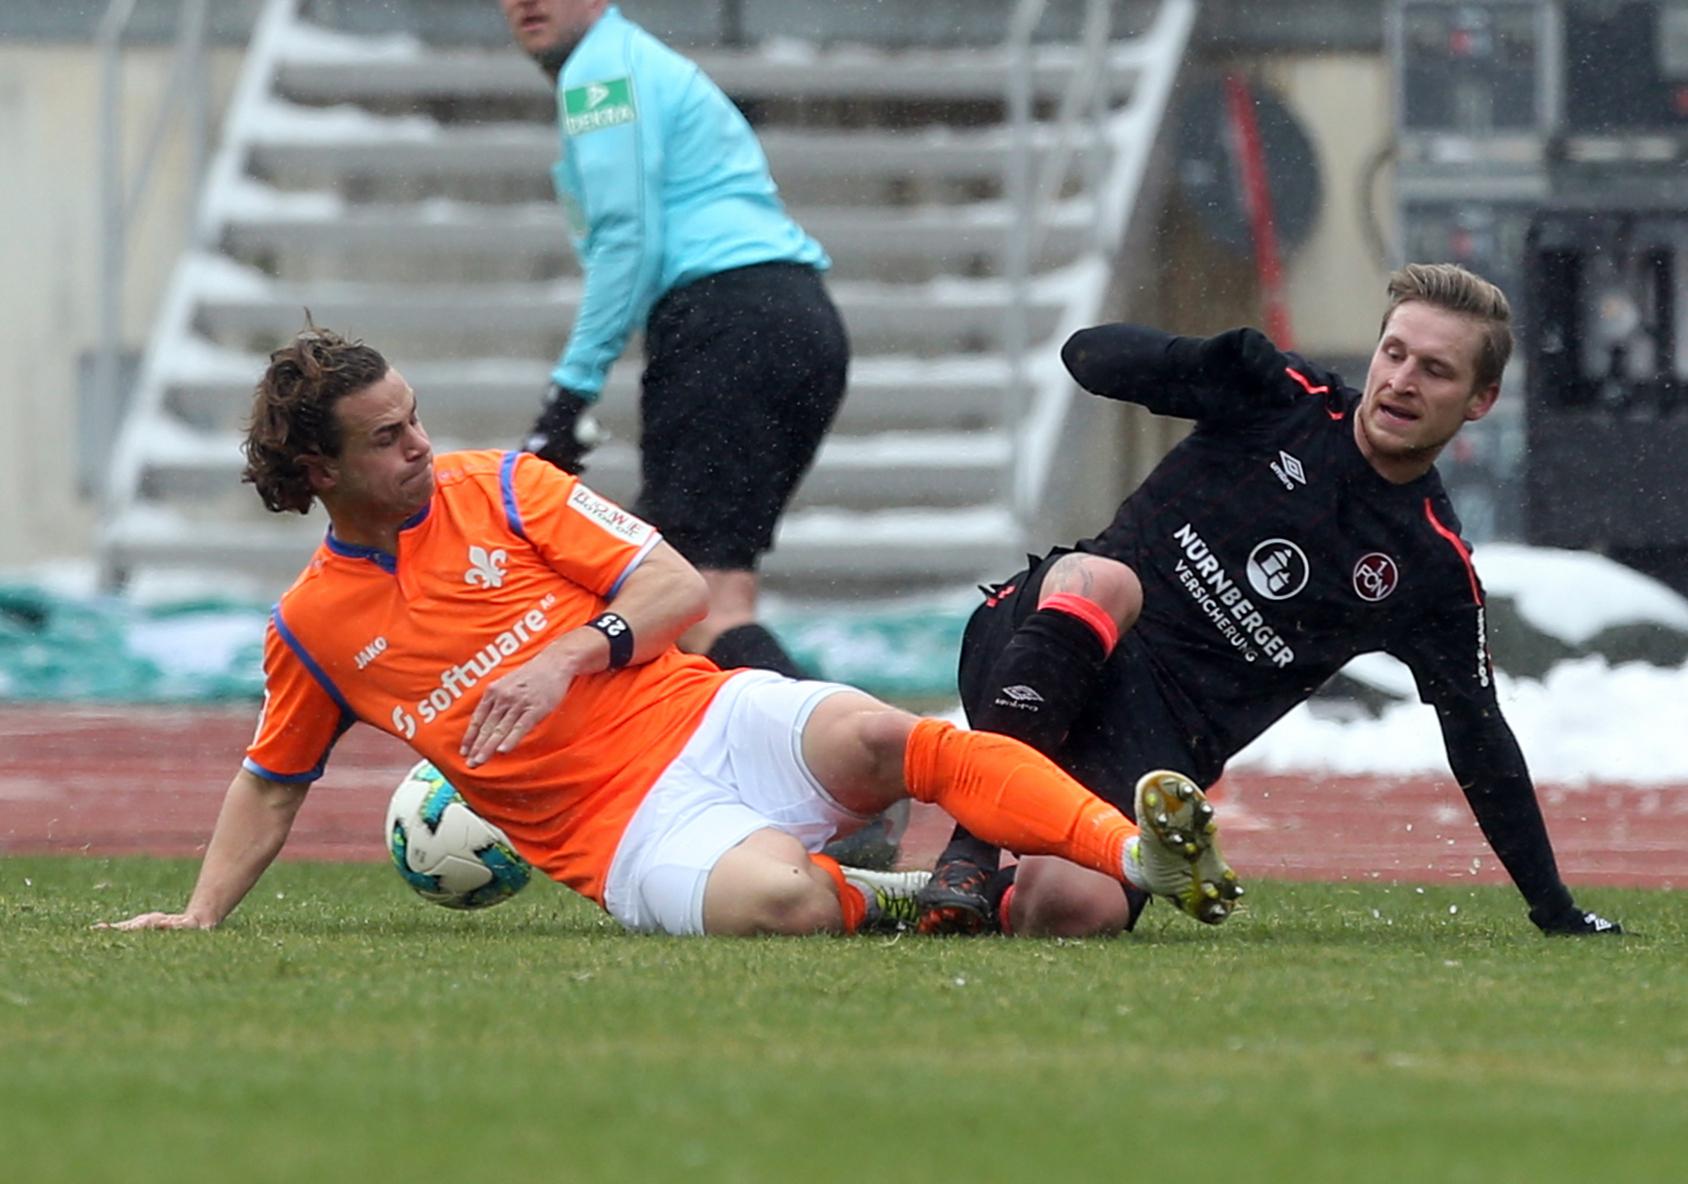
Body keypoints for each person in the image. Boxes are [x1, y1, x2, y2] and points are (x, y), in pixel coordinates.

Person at [100, 326, 1238, 937]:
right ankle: (917, 897)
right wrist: (200, 914)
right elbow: (270, 780)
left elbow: (677, 586)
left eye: (415, 418)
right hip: (627, 833)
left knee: (884, 737)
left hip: (705, 716)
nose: (418, 445)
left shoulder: (499, 486)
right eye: (388, 436)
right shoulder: (311, 625)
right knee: (780, 902)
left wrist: (575, 649)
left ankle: (1142, 855)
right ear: (321, 468)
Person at [915, 263, 1624, 940]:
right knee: (1106, 579)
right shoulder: (1278, 397)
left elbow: (1480, 737)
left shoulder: (1431, 567)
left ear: (1480, 400)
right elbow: (1086, 356)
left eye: (1434, 370)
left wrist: (1552, 907)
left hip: (1148, 748)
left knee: (1072, 909)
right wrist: (1200, 363)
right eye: (1395, 354)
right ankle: (969, 854)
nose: (1403, 382)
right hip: (1040, 651)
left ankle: (907, 898)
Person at [496, 0, 846, 682]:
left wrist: (569, 393)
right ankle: (836, 762)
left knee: (692, 601)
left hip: (731, 326)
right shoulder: (630, 63)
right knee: (697, 587)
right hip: (788, 317)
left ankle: (862, 762)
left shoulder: (600, 74)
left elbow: (627, 239)